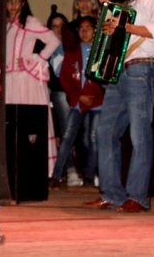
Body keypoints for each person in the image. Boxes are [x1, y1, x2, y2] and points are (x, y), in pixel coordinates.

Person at [84, 0, 154, 213]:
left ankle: (138, 196)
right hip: (119, 70)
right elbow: (115, 30)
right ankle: (112, 194)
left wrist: (124, 25)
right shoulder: (132, 0)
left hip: (142, 69)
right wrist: (106, 6)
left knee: (139, 134)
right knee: (106, 131)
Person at [5, 0, 60, 199]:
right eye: (9, 1)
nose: (13, 5)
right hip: (9, 80)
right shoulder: (4, 23)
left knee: (31, 127)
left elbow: (53, 40)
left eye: (17, 1)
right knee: (11, 125)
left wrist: (36, 59)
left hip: (27, 80)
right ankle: (13, 170)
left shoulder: (30, 22)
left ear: (23, 3)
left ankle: (39, 172)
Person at [49, 16, 104, 188]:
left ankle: (90, 175)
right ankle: (56, 175)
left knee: (93, 138)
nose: (85, 32)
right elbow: (65, 78)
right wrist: (78, 96)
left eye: (88, 28)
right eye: (81, 29)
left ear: (95, 31)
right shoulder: (72, 52)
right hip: (78, 102)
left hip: (98, 103)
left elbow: (106, 78)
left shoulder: (101, 52)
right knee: (67, 137)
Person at [46, 5, 82, 188]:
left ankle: (80, 169)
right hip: (57, 93)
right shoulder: (46, 48)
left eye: (62, 26)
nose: (58, 29)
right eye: (54, 26)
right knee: (66, 131)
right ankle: (69, 169)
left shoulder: (74, 47)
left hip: (76, 93)